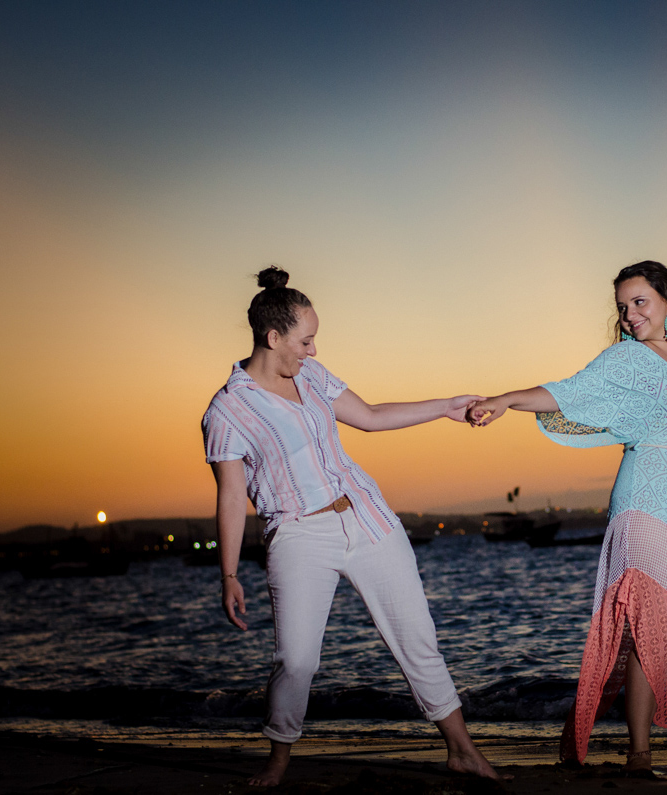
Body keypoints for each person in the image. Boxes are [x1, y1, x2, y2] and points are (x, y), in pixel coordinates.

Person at [468, 261, 667, 773]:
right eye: (622, 306)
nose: (630, 315)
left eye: (639, 302)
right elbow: (565, 391)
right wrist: (507, 399)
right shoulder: (625, 361)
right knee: (651, 624)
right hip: (646, 500)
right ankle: (640, 751)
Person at [202, 266, 503, 787]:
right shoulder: (227, 410)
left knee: (417, 639)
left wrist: (446, 407)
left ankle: (463, 752)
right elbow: (230, 496)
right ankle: (277, 759)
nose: (314, 350)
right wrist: (228, 574)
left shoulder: (312, 377)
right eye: (306, 340)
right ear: (274, 338)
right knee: (296, 661)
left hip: (367, 518)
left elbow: (371, 416)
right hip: (298, 534)